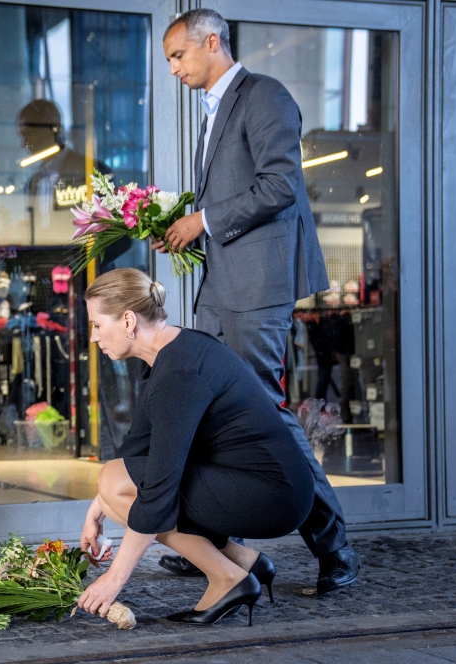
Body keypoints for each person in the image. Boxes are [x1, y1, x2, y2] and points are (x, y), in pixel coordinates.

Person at [156, 9, 360, 594]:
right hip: (220, 287)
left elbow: (280, 185)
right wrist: (181, 224)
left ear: (212, 42)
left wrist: (205, 219)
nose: (173, 68)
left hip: (257, 285)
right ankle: (218, 548)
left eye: (179, 56)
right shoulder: (215, 108)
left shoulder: (264, 95)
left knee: (266, 414)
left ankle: (336, 548)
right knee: (209, 411)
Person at [75, 268, 314, 625]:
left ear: (127, 320)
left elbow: (158, 484)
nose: (93, 337)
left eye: (96, 325)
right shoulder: (171, 354)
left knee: (121, 485)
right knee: (112, 484)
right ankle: (244, 562)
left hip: (274, 495)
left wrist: (115, 578)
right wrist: (97, 510)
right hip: (254, 480)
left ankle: (228, 578)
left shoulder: (179, 374)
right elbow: (136, 452)